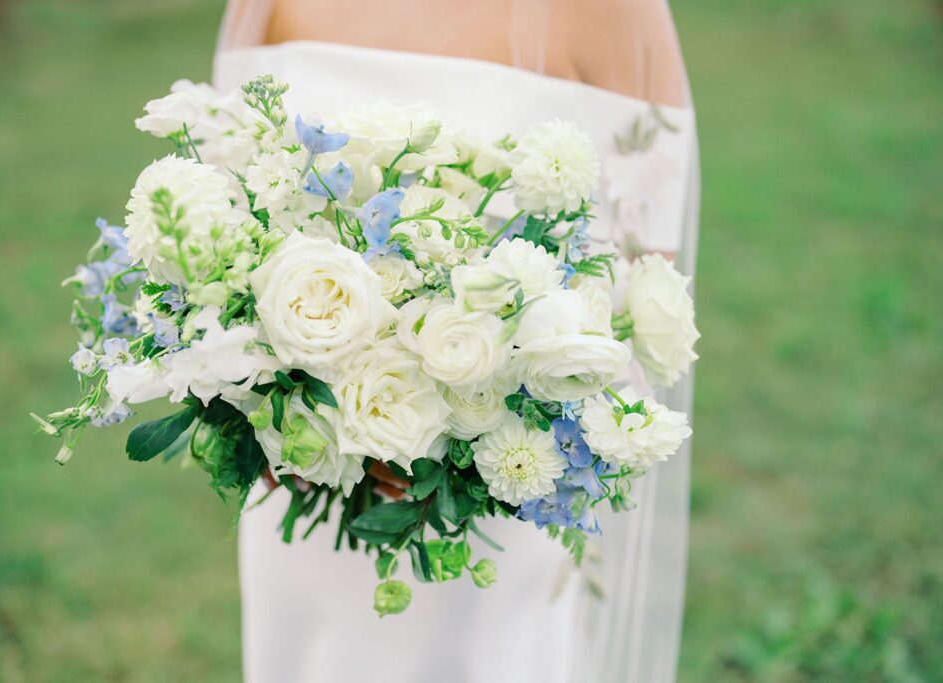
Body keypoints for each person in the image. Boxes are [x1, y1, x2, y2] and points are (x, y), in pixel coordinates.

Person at [215, 1, 699, 680]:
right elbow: (229, 205)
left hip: (485, 506)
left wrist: (462, 435)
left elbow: (642, 289)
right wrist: (258, 396)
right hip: (298, 472)